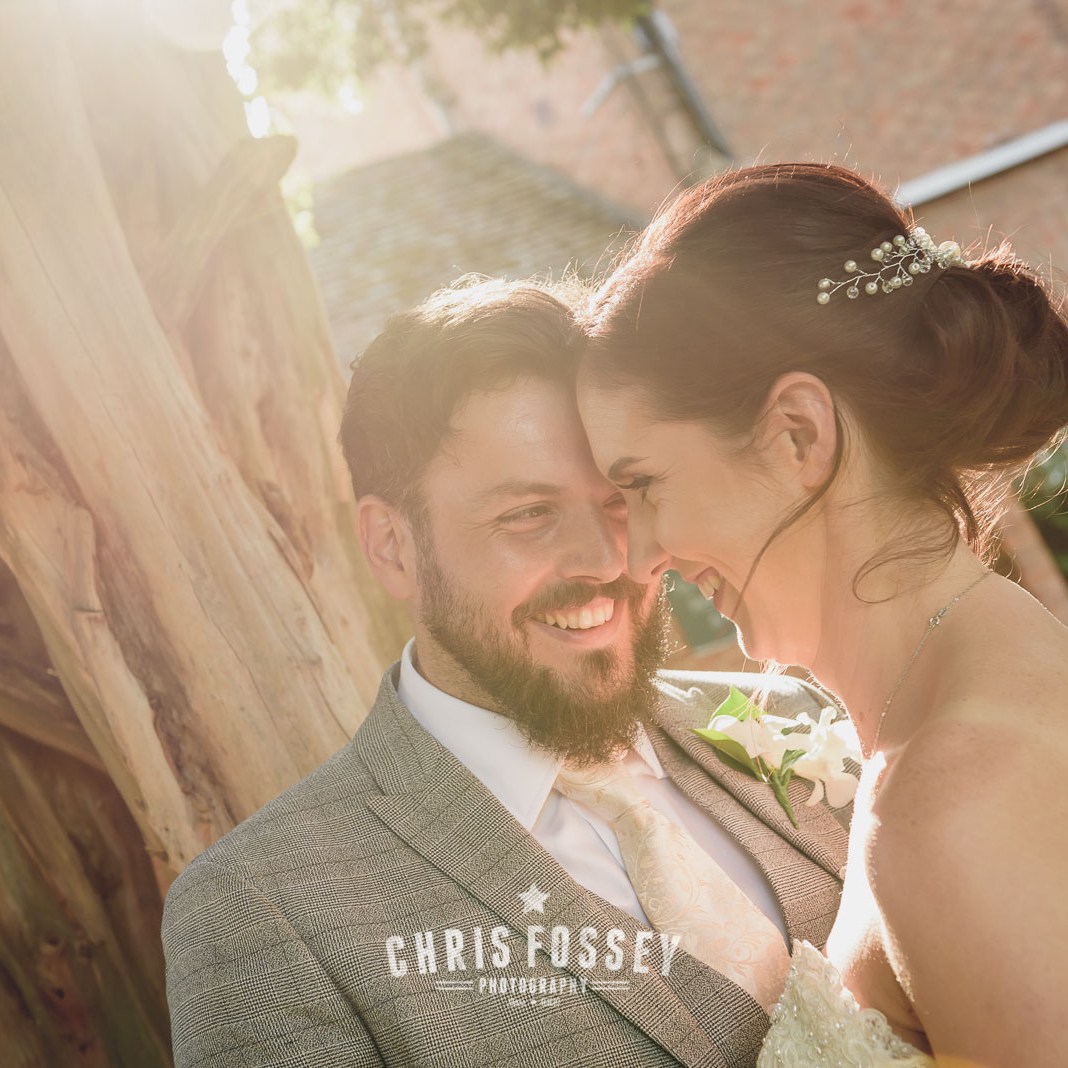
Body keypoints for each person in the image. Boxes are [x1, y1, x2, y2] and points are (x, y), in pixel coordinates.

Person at [162, 276, 850, 1067]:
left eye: (623, 499)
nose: (607, 561)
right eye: (529, 515)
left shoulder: (802, 718)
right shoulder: (260, 910)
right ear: (393, 546)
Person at [577, 162, 1068, 1067]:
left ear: (800, 434)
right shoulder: (995, 679)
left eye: (643, 484)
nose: (642, 556)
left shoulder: (956, 799)